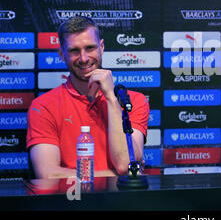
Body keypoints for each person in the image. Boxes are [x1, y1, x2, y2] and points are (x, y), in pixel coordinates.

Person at [27, 16, 149, 179]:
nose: (84, 58)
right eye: (74, 51)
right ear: (62, 55)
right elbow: (48, 174)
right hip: (71, 201)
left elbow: (125, 163)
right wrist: (111, 176)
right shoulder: (43, 106)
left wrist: (112, 100)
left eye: (90, 48)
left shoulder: (133, 101)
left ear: (102, 47)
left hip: (122, 203)